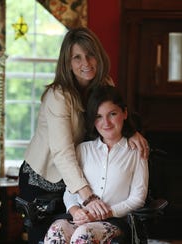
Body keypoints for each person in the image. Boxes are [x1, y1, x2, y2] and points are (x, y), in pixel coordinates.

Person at [18, 27, 149, 243]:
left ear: (99, 56)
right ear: (67, 63)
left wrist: (132, 131)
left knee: (81, 234)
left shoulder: (104, 83)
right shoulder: (57, 96)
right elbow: (62, 152)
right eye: (76, 57)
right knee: (50, 235)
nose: (85, 63)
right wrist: (88, 197)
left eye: (90, 55)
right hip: (44, 176)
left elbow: (114, 112)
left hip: (78, 172)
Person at [44, 85, 149, 243]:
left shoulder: (136, 151)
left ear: (125, 113)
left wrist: (106, 213)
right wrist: (75, 211)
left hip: (113, 221)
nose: (105, 122)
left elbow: (138, 198)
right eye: (98, 116)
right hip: (80, 218)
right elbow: (71, 191)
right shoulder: (83, 149)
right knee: (56, 230)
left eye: (112, 114)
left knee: (83, 234)